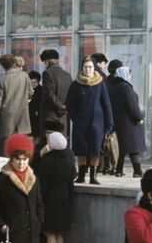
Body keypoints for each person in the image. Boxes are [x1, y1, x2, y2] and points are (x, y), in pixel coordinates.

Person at [65, 57, 114, 185]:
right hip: (80, 123)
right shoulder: (76, 84)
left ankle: (93, 176)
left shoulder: (100, 83)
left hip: (97, 122)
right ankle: (81, 175)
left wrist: (109, 123)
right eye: (86, 67)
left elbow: (106, 104)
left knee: (95, 149)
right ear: (82, 68)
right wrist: (75, 117)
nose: (88, 69)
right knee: (81, 149)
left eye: (90, 67)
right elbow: (69, 103)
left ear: (94, 68)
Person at [36, 127, 75, 243]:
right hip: (64, 198)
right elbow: (71, 183)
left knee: (50, 232)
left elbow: (42, 183)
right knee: (59, 232)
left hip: (51, 199)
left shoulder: (48, 161)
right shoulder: (68, 161)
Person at [106, 62, 146, 177]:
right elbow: (132, 106)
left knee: (123, 147)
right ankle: (137, 171)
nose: (130, 77)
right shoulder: (126, 88)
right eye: (129, 74)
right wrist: (139, 118)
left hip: (119, 121)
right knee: (134, 147)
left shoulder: (113, 87)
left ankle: (119, 170)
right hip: (129, 122)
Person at [0, 54, 32, 152]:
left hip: (7, 115)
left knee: (6, 146)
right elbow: (30, 92)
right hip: (22, 113)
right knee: (21, 145)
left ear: (2, 65)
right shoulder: (24, 75)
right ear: (14, 63)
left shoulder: (2, 78)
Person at [37, 49, 72, 137]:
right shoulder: (67, 75)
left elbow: (49, 93)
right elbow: (71, 93)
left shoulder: (47, 73)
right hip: (63, 115)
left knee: (50, 142)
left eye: (44, 62)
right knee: (61, 142)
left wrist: (60, 106)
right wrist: (65, 107)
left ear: (47, 61)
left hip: (50, 114)